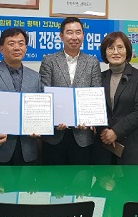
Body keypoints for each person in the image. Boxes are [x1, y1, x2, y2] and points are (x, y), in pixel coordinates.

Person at [40, 17, 101, 165]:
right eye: (69, 32)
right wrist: (54, 120)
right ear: (61, 36)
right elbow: (44, 93)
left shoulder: (92, 62)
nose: (74, 37)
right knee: (54, 178)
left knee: (81, 177)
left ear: (83, 35)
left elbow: (95, 92)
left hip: (83, 135)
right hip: (55, 134)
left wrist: (89, 119)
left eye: (78, 32)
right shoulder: (49, 60)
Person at [0, 28, 43, 165]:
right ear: (1, 48)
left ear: (26, 48)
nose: (17, 47)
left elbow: (39, 110)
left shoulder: (35, 77)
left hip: (28, 149)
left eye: (21, 43)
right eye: (11, 43)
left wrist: (39, 128)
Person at [92, 32, 138, 165]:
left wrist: (116, 132)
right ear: (105, 52)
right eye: (110, 48)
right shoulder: (99, 77)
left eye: (120, 47)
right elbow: (94, 109)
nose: (115, 52)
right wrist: (104, 130)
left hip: (132, 149)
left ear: (127, 51)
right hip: (104, 147)